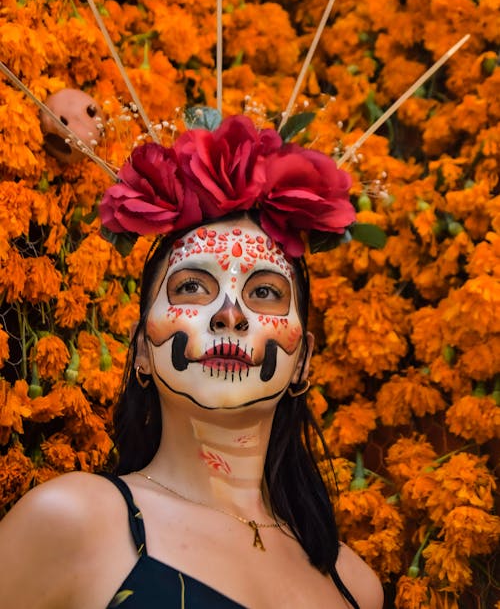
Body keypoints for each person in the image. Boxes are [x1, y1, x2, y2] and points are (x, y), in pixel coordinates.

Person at [0, 117, 384, 609]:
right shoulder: (74, 522)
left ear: (304, 360)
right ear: (141, 347)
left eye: (264, 292)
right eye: (192, 288)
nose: (229, 314)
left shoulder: (355, 585)